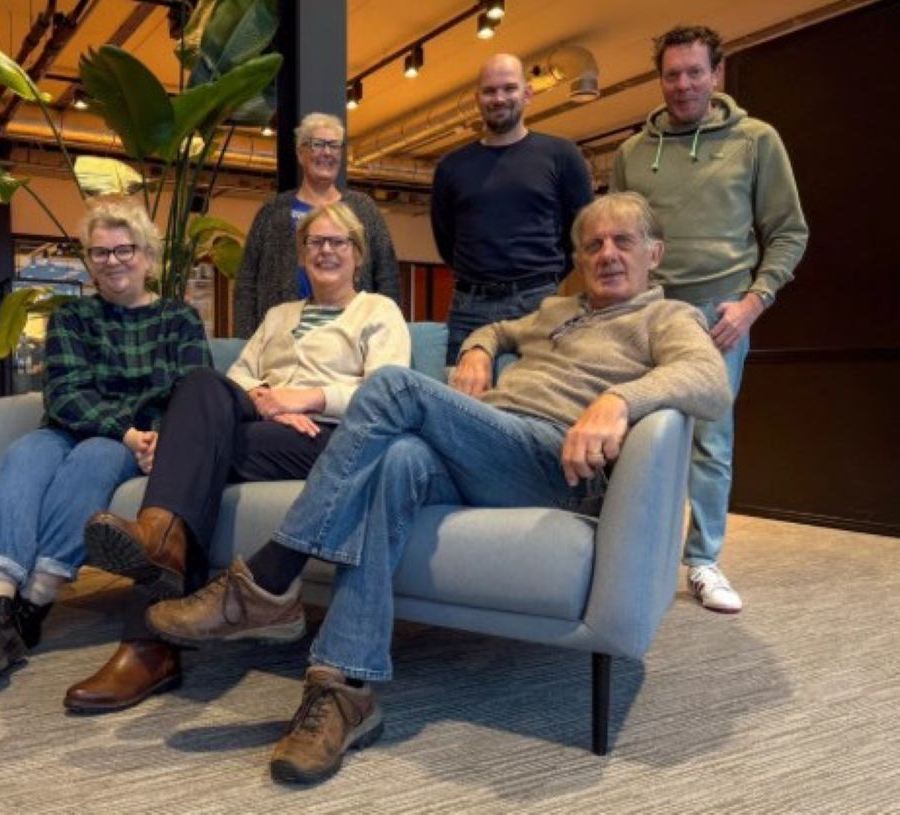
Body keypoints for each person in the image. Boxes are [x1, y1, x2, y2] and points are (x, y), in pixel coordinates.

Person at [146, 192, 732, 784]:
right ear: (578, 257)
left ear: (654, 253)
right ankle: (345, 689)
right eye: (593, 244)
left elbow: (710, 379)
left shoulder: (668, 317)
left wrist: (619, 400)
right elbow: (499, 328)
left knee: (392, 387)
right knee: (397, 460)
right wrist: (478, 348)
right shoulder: (558, 310)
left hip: (552, 460)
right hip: (489, 447)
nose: (607, 254)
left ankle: (271, 579)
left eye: (623, 241)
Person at [65, 201, 411, 713]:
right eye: (315, 242)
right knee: (201, 383)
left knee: (192, 454)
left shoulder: (378, 312)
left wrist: (308, 398)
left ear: (357, 254)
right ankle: (162, 545)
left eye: (338, 242)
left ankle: (148, 642)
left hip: (330, 437)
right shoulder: (279, 315)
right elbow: (239, 377)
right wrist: (268, 401)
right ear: (302, 255)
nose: (326, 251)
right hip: (266, 427)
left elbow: (387, 394)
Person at [0, 197, 210, 691]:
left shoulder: (179, 319)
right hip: (72, 427)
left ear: (147, 256)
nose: (113, 261)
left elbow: (194, 392)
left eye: (125, 249)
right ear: (89, 261)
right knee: (24, 453)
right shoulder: (73, 317)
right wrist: (125, 429)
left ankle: (33, 603)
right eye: (100, 252)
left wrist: (158, 440)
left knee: (95, 457)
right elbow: (65, 393)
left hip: (127, 442)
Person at [610, 25, 808, 613]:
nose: (683, 85)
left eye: (695, 72)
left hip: (719, 312)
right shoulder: (632, 153)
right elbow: (618, 238)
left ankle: (702, 561)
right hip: (650, 312)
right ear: (660, 79)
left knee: (710, 442)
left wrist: (753, 303)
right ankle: (637, 553)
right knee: (637, 435)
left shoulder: (756, 140)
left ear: (716, 74)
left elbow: (789, 232)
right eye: (672, 74)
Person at [431, 53, 593, 365]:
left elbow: (582, 231)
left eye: (509, 88)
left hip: (538, 304)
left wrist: (541, 277)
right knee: (457, 391)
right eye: (489, 91)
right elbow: (445, 239)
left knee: (536, 390)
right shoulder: (451, 167)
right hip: (468, 307)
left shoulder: (562, 155)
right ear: (477, 98)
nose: (499, 98)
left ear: (528, 93)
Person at [233, 112, 401, 338]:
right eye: (318, 144)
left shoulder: (364, 209)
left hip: (351, 336)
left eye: (334, 145)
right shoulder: (272, 212)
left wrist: (386, 332)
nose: (327, 152)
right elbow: (246, 283)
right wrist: (247, 340)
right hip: (282, 337)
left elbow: (388, 278)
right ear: (300, 153)